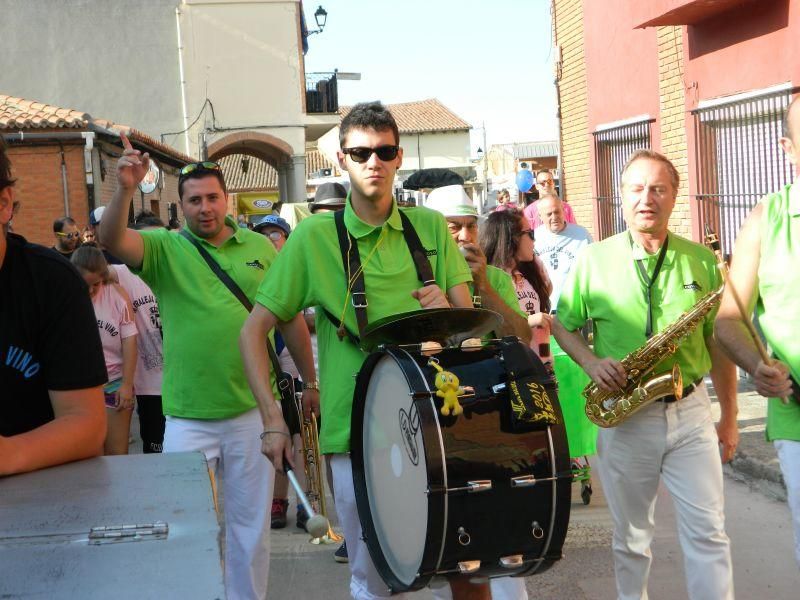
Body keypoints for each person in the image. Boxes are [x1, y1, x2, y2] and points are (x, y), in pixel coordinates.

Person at [239, 101, 491, 600]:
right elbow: (253, 331)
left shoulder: (431, 227)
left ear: (398, 158)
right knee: (376, 578)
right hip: (354, 431)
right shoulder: (314, 235)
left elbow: (474, 335)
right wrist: (272, 418)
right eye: (360, 152)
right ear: (341, 160)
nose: (373, 161)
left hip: (441, 421)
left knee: (466, 567)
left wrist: (449, 315)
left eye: (385, 151)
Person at [99, 134, 316, 600]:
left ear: (227, 198)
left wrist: (311, 380)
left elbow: (292, 318)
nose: (205, 207)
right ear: (181, 205)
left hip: (252, 417)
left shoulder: (261, 248)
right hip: (187, 417)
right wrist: (125, 189)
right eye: (194, 200)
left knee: (249, 530)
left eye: (213, 197)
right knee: (185, 528)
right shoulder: (164, 250)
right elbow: (109, 239)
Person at [553, 149, 738, 600]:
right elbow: (562, 324)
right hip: (625, 414)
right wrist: (592, 363)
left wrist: (729, 417)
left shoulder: (702, 261)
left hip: (691, 411)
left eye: (658, 188)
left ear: (674, 196)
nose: (646, 198)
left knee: (709, 532)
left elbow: (720, 343)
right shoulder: (595, 260)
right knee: (633, 538)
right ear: (621, 196)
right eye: (636, 188)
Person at [715, 97, 800, 569]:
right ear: (788, 149)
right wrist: (757, 367)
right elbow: (729, 318)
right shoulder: (766, 220)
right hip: (799, 416)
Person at [0, 136, 107, 476]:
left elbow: (87, 426)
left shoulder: (52, 282)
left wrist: (8, 454)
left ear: (4, 204)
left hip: (43, 496)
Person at [252, 213, 309, 531]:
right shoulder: (252, 270)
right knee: (275, 430)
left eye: (275, 234)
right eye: (263, 235)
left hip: (291, 362)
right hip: (264, 363)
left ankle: (305, 501)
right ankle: (278, 499)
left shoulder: (297, 269)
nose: (269, 240)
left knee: (300, 435)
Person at [426, 183, 530, 343]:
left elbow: (522, 338)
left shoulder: (495, 277)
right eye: (454, 227)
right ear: (431, 233)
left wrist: (483, 286)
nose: (465, 236)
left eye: (471, 226)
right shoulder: (417, 275)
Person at [72, 245, 138, 456]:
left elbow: (129, 341)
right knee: (89, 455)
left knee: (117, 454)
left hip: (114, 382)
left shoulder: (117, 296)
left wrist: (127, 384)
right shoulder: (64, 296)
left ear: (104, 278)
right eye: (85, 285)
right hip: (80, 386)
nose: (90, 291)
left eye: (96, 284)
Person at [114, 213, 166, 454]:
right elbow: (85, 269)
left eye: (161, 238)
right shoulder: (123, 274)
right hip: (149, 385)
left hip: (187, 383)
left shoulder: (176, 269)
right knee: (155, 447)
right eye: (149, 239)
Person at [481, 209, 553, 365]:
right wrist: (530, 320)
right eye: (530, 233)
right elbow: (494, 327)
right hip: (512, 366)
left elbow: (546, 295)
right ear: (512, 238)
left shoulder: (533, 268)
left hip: (542, 358)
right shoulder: (490, 278)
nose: (534, 240)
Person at [533, 194, 593, 308]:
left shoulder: (582, 235)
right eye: (549, 214)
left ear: (563, 211)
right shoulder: (534, 238)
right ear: (540, 216)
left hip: (576, 307)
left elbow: (593, 269)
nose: (554, 217)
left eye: (557, 212)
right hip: (544, 308)